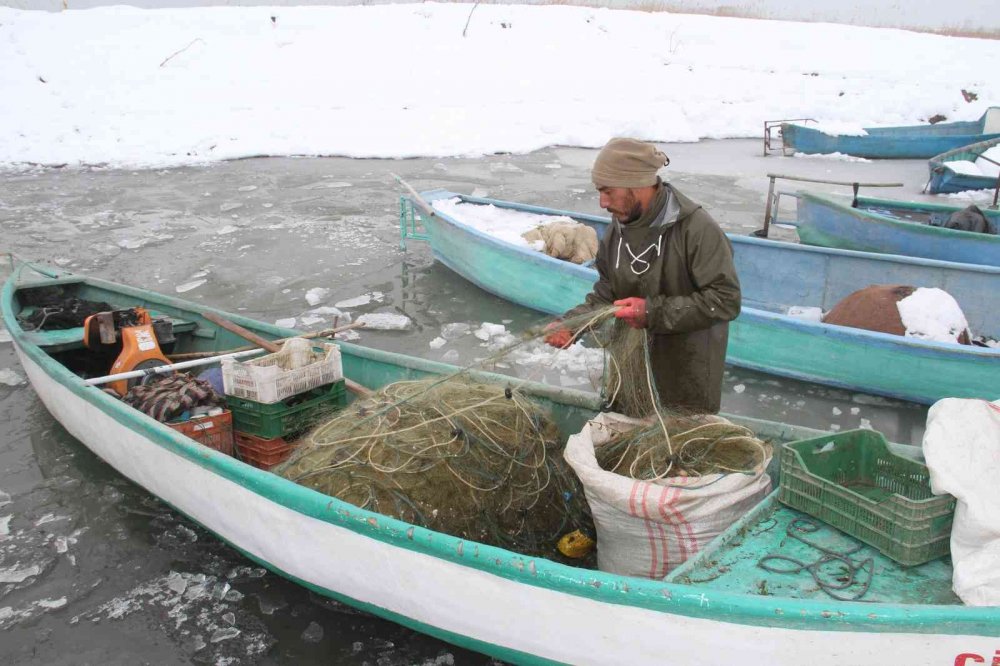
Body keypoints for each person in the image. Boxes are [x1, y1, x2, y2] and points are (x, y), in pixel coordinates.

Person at [544, 137, 741, 414]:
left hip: (684, 380)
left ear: (637, 184)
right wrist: (572, 324)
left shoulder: (696, 230)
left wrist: (651, 312)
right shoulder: (618, 229)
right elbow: (607, 295)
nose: (602, 202)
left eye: (608, 191)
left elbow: (725, 300)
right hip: (630, 375)